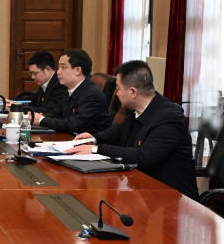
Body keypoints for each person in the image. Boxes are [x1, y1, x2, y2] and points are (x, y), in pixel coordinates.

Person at [65, 60, 199, 200]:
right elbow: (120, 130)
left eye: (118, 88)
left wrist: (96, 149)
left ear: (133, 92)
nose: (116, 93)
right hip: (143, 189)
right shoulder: (139, 109)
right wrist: (94, 138)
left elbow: (144, 156)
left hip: (173, 197)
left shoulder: (169, 117)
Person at [33, 49, 111, 135]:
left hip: (89, 141)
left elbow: (74, 125)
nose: (58, 72)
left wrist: (42, 120)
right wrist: (38, 117)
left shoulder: (92, 94)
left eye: (63, 67)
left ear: (77, 70)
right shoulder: (69, 89)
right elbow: (57, 114)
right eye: (59, 67)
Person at [18, 51, 67, 117]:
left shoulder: (60, 84)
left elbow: (49, 110)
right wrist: (13, 102)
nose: (33, 77)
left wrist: (18, 107)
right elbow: (33, 99)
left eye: (35, 73)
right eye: (31, 73)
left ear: (48, 69)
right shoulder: (44, 82)